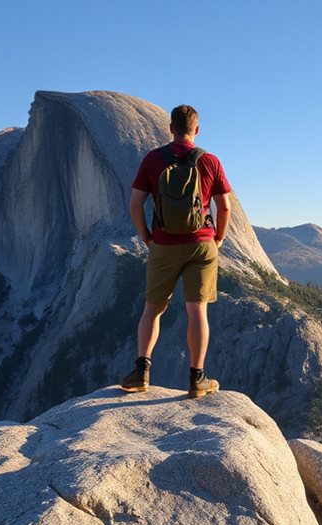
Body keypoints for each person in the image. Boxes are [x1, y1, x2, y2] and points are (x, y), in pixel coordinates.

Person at [120, 104, 232, 398]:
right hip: (202, 245)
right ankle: (197, 379)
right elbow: (225, 207)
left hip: (163, 244)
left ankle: (141, 373)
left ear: (170, 128)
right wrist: (218, 238)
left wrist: (147, 236)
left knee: (152, 310)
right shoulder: (210, 161)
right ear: (196, 130)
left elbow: (135, 205)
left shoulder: (153, 160)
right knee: (197, 310)